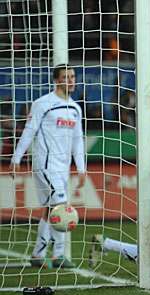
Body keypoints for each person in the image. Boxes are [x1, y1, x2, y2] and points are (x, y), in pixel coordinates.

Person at [10, 64, 85, 269]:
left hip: (63, 169)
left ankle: (37, 254)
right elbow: (29, 131)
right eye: (65, 77)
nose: (71, 80)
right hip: (44, 165)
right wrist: (16, 159)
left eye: (72, 76)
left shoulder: (76, 109)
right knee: (61, 207)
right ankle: (58, 255)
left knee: (50, 209)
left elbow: (78, 140)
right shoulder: (43, 104)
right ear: (56, 80)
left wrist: (81, 168)